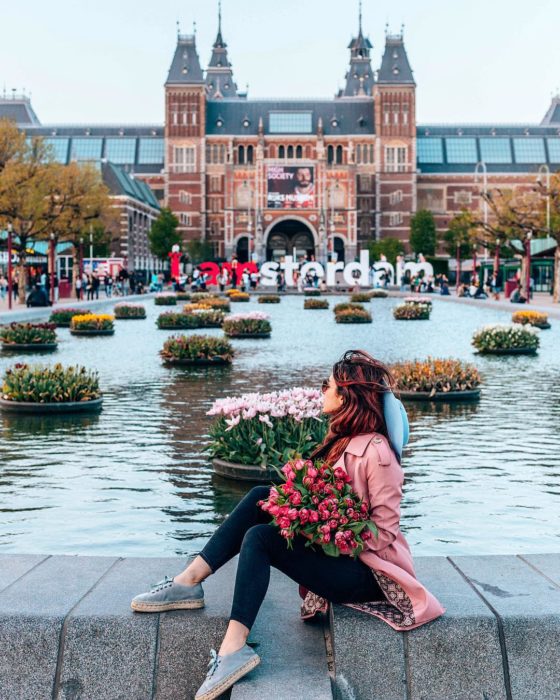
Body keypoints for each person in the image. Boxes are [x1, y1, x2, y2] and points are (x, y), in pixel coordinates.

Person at [130, 350, 446, 699]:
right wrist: (303, 514)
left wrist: (325, 528)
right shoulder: (341, 441)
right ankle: (189, 582)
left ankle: (233, 648)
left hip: (366, 572)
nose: (321, 390)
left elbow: (384, 533)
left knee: (260, 539)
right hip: (338, 556)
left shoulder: (379, 453)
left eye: (326, 385)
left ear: (345, 396)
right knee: (261, 496)